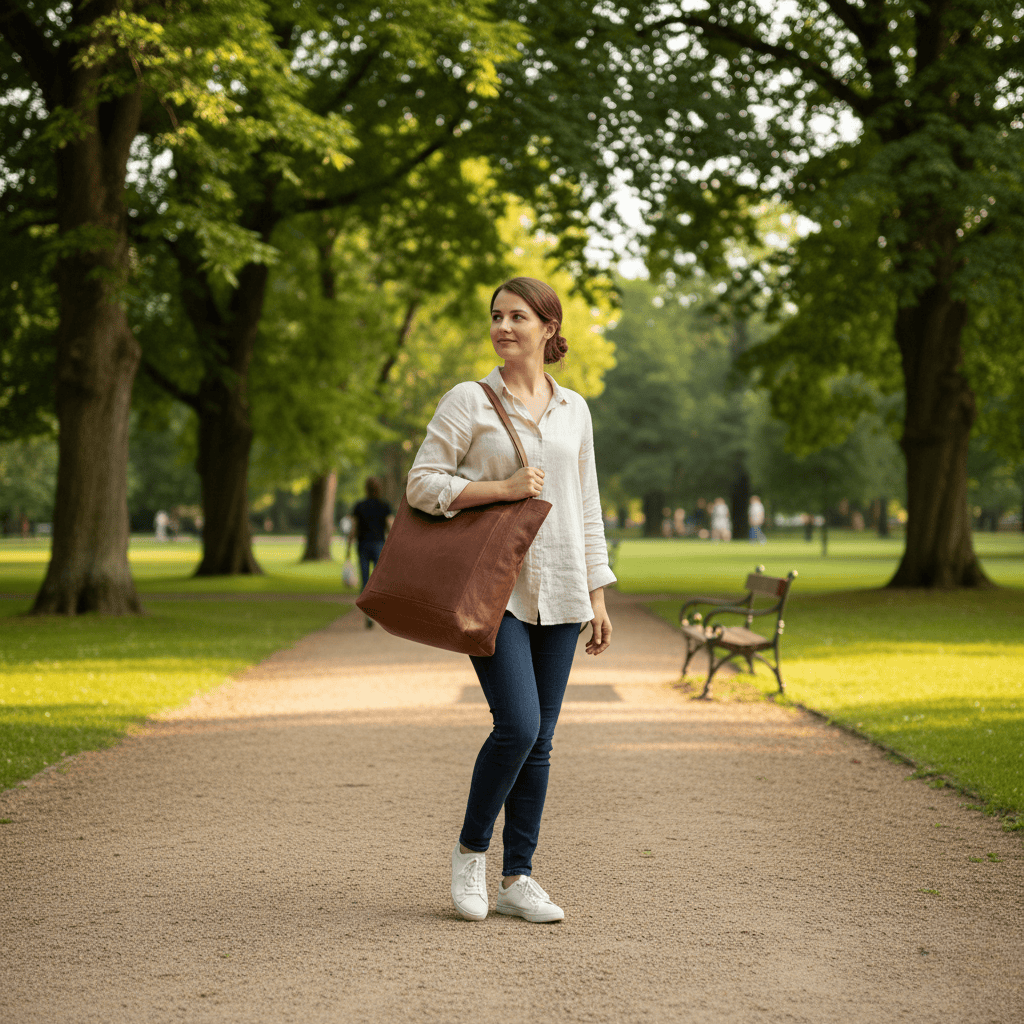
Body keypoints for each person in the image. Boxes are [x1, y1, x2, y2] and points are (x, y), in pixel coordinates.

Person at [406, 276, 615, 925]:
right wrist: (498, 488)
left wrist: (598, 591)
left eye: (517, 316)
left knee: (542, 740)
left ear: (549, 328)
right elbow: (420, 483)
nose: (503, 326)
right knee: (518, 726)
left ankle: (519, 877)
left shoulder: (574, 409)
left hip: (563, 588)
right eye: (496, 316)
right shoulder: (470, 400)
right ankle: (471, 854)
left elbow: (586, 504)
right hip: (495, 591)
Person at [349, 478, 393, 627]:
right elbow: (390, 526)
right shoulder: (384, 506)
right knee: (378, 581)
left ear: (366, 489)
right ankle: (377, 612)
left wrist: (348, 547)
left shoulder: (359, 506)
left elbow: (353, 529)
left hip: (363, 545)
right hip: (379, 545)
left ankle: (367, 615)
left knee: (365, 581)